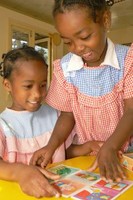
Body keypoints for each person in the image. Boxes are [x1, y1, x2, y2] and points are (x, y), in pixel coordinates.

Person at [31, 0, 133, 182]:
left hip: (125, 152)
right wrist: (51, 146)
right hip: (87, 153)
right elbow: (67, 116)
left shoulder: (128, 61)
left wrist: (111, 147)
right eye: (68, 42)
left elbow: (131, 110)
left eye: (85, 37)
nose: (77, 48)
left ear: (106, 20)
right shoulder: (65, 70)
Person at [0, 46, 63, 198]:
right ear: (7, 85)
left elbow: (65, 150)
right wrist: (20, 172)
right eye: (28, 86)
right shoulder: (3, 124)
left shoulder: (55, 115)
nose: (37, 94)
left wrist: (87, 147)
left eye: (42, 85)